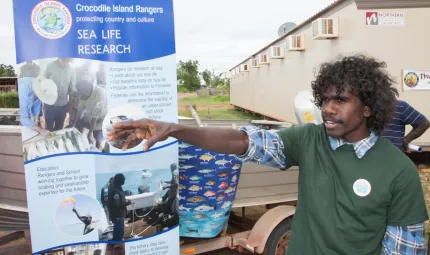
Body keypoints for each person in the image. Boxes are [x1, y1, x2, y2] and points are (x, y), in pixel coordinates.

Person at [106, 54, 429, 255]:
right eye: (325, 99)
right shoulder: (310, 139)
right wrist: (175, 129)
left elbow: (405, 249)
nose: (328, 109)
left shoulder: (398, 170)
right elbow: (245, 142)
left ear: (369, 108)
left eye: (341, 100)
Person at [67, 79, 107, 150]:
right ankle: (81, 139)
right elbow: (79, 111)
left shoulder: (100, 94)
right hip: (90, 115)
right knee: (79, 123)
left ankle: (98, 148)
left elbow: (94, 118)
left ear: (88, 92)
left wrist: (90, 133)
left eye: (82, 97)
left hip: (101, 118)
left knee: (97, 135)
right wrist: (73, 124)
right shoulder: (83, 93)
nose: (81, 98)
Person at [43, 58, 76, 131]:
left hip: (62, 106)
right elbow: (43, 82)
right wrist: (43, 99)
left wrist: (69, 106)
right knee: (49, 129)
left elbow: (71, 90)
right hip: (49, 105)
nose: (66, 64)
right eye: (65, 61)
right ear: (60, 57)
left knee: (59, 129)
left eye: (68, 62)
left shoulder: (72, 71)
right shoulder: (50, 66)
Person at [107, 173, 132, 241]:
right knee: (119, 232)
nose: (124, 181)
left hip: (118, 215)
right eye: (123, 179)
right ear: (119, 180)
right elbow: (117, 206)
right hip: (118, 215)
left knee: (117, 231)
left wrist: (125, 200)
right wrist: (128, 203)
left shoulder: (117, 188)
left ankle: (116, 242)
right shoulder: (115, 191)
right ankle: (118, 245)